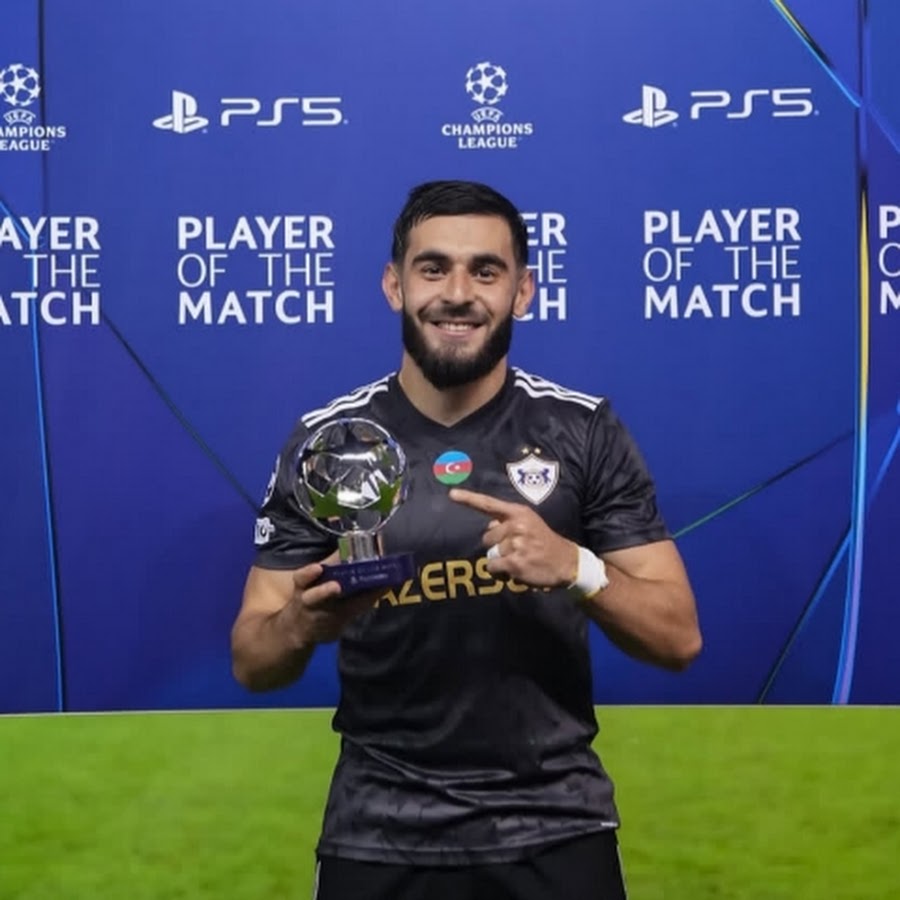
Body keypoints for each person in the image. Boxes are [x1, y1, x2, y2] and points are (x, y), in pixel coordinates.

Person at [231, 180, 702, 899]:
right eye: (433, 268)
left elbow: (678, 638)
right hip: (378, 833)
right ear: (394, 285)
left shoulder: (583, 431)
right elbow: (251, 659)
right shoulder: (329, 444)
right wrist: (302, 622)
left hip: (555, 827)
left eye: (486, 271)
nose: (457, 294)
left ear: (523, 292)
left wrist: (575, 566)